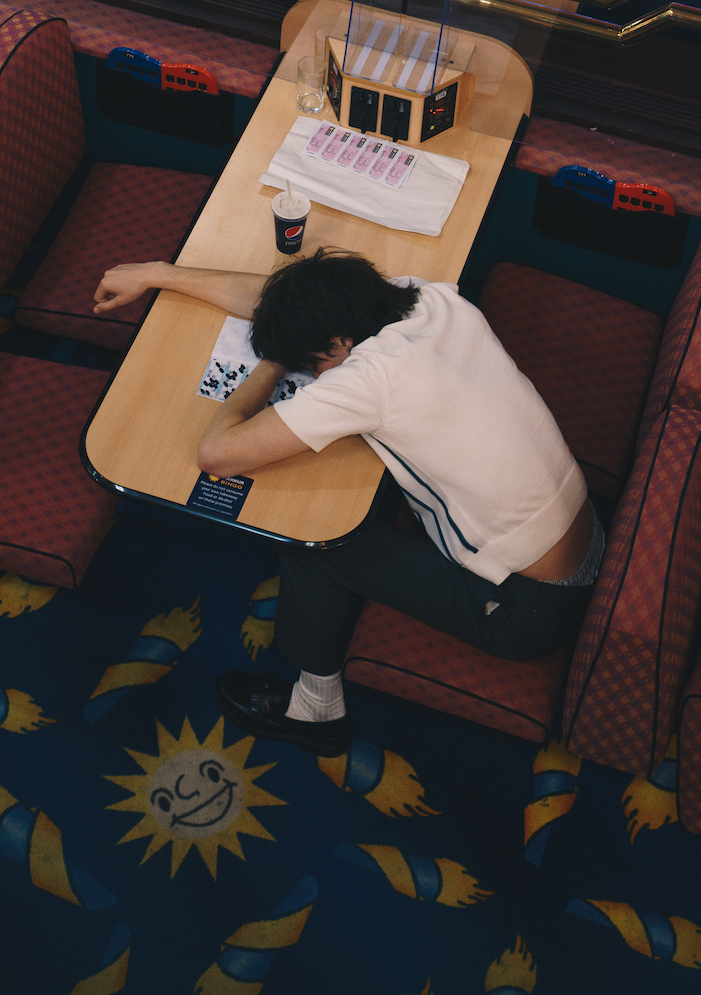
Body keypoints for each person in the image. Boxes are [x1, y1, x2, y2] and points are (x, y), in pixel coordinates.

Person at [92, 247, 603, 757]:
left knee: (314, 543)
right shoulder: (428, 298)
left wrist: (273, 363)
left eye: (315, 363)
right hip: (586, 533)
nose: (314, 375)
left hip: (527, 608)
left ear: (339, 344)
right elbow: (276, 301)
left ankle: (315, 712)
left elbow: (218, 454)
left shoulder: (370, 378)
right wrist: (161, 274)